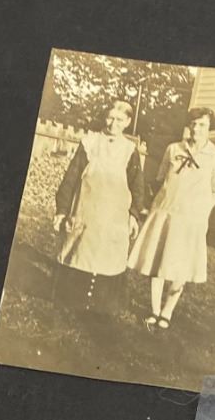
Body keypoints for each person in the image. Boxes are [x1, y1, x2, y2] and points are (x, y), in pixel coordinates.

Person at [128, 106, 215, 331]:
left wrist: (202, 211)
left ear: (209, 128)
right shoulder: (173, 149)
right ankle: (154, 310)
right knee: (157, 260)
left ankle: (167, 312)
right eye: (193, 124)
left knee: (181, 265)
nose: (196, 128)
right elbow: (161, 179)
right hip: (165, 212)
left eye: (202, 125)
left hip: (192, 219)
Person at [51, 98, 146, 315]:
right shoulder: (90, 142)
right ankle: (71, 301)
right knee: (79, 252)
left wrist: (134, 215)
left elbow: (137, 186)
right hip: (87, 209)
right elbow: (71, 177)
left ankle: (101, 305)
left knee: (108, 257)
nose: (113, 124)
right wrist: (62, 210)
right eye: (110, 118)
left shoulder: (130, 150)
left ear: (127, 122)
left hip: (114, 215)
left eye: (119, 120)